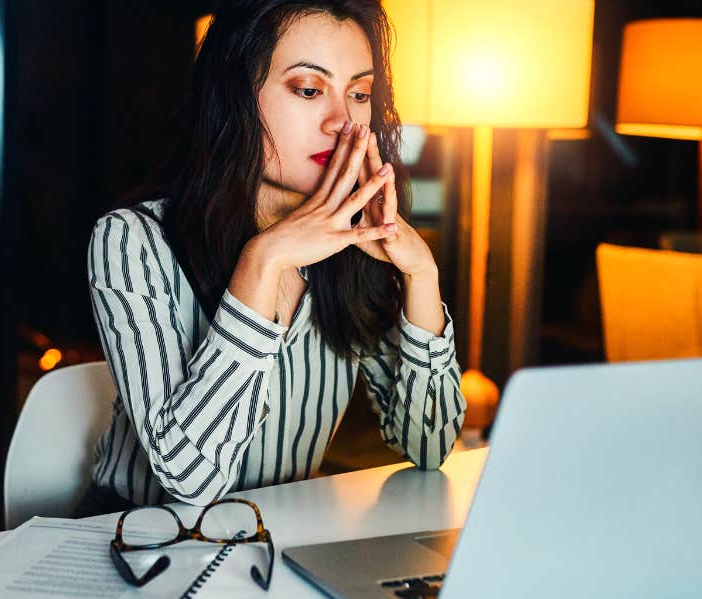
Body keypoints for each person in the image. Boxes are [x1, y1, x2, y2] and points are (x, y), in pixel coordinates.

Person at [79, 0, 466, 514]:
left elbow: (429, 447)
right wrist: (264, 262)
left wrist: (422, 275)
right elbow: (190, 483)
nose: (341, 121)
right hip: (139, 544)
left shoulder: (355, 245)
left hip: (280, 542)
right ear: (235, 96)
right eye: (309, 90)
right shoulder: (131, 240)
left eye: (359, 93)